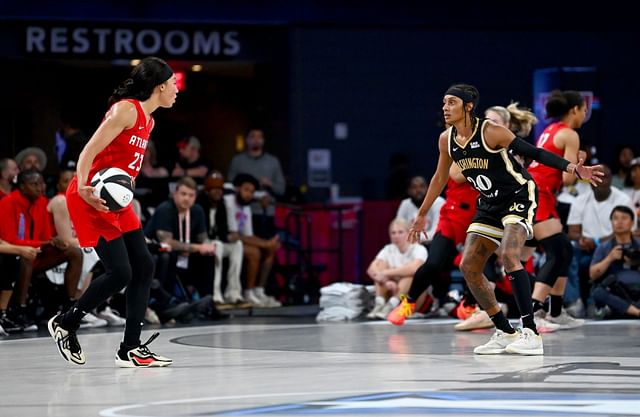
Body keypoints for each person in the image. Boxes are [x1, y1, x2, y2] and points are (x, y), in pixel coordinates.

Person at [403, 84, 602, 356]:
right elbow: (440, 178)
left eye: (451, 102)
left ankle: (530, 332)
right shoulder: (446, 140)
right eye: (444, 102)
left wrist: (572, 168)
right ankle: (504, 331)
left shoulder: (491, 131)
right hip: (489, 202)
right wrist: (422, 214)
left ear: (468, 106)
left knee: (510, 254)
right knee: (469, 265)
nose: (445, 107)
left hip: (518, 193)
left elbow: (534, 153)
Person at [47, 56, 178, 367]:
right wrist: (81, 186)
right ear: (159, 87)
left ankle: (131, 348)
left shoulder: (150, 120)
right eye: (173, 85)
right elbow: (88, 151)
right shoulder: (126, 110)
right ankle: (66, 322)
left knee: (144, 265)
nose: (176, 90)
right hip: (90, 195)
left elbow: (123, 167)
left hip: (115, 200)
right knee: (121, 272)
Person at [515, 91, 589, 330]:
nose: (585, 114)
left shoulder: (551, 130)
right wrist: (580, 165)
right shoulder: (570, 134)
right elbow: (568, 180)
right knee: (560, 251)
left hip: (534, 192)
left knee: (553, 254)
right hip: (540, 194)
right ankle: (534, 311)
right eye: (584, 110)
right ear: (575, 110)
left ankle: (555, 311)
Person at [387, 163, 479, 325]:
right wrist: (422, 214)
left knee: (479, 268)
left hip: (481, 216)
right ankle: (408, 302)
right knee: (433, 264)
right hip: (453, 216)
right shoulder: (449, 140)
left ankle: (469, 305)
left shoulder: (495, 145)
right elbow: (448, 176)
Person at [227, 128, 286, 239]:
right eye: (252, 136)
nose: (256, 140)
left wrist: (270, 183)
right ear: (247, 140)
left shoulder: (273, 161)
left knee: (268, 246)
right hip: (242, 211)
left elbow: (281, 189)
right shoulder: (237, 161)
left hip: (266, 212)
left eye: (259, 137)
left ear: (263, 140)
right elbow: (230, 187)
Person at [196, 171, 245, 305]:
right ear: (207, 191)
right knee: (217, 245)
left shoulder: (222, 205)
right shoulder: (200, 205)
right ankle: (215, 293)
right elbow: (200, 232)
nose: (217, 192)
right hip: (203, 243)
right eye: (214, 189)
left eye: (220, 189)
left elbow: (223, 230)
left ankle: (233, 292)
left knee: (238, 245)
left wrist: (229, 236)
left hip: (218, 241)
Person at [367, 218, 427, 319]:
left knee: (409, 276)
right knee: (380, 265)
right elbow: (371, 269)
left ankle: (392, 305)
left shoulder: (419, 249)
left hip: (410, 297)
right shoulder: (388, 249)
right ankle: (380, 304)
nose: (396, 236)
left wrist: (386, 273)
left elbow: (414, 268)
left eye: (400, 232)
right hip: (391, 289)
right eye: (393, 233)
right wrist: (385, 281)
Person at [589, 205, 640, 319]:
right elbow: (592, 274)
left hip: (637, 288)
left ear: (632, 222)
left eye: (624, 218)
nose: (619, 222)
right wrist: (610, 258)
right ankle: (636, 312)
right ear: (611, 223)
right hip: (617, 291)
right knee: (598, 293)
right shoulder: (604, 247)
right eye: (615, 218)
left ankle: (627, 310)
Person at [395, 176, 445, 243]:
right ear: (409, 191)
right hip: (410, 245)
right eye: (414, 187)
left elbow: (436, 232)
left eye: (422, 186)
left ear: (428, 188)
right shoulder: (405, 204)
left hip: (432, 243)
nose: (418, 190)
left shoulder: (438, 201)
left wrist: (410, 238)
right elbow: (397, 228)